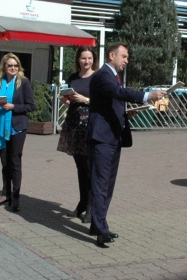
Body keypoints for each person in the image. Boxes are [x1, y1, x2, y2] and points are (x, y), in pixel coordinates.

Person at [88, 43, 165, 248]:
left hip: (113, 136)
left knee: (107, 184)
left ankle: (97, 224)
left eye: (127, 57)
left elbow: (112, 101)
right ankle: (101, 230)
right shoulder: (103, 75)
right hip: (102, 138)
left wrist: (125, 113)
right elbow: (118, 93)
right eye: (124, 56)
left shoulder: (113, 76)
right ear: (111, 55)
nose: (126, 61)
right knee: (101, 184)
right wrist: (147, 96)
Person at [0, 53, 35, 212]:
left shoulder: (24, 82)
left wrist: (13, 107)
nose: (13, 68)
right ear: (4, 67)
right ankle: (5, 193)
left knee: (15, 162)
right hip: (2, 126)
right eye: (10, 65)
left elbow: (31, 106)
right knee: (5, 162)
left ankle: (16, 197)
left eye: (16, 65)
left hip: (17, 127)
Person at [58, 47, 97, 223]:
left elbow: (102, 102)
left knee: (89, 167)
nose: (86, 61)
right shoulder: (73, 77)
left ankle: (91, 207)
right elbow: (71, 99)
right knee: (80, 167)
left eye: (89, 58)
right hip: (74, 124)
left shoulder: (97, 77)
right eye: (83, 58)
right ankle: (82, 203)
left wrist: (85, 100)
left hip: (89, 125)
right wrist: (67, 100)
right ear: (78, 60)